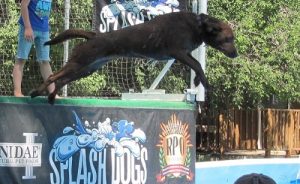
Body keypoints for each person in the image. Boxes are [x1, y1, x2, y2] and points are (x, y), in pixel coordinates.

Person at [12, 0, 56, 97]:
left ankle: (53, 93)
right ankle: (17, 92)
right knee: (21, 59)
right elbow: (24, 5)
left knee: (45, 61)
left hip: (44, 30)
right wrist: (27, 27)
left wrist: (46, 25)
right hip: (29, 28)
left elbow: (44, 10)